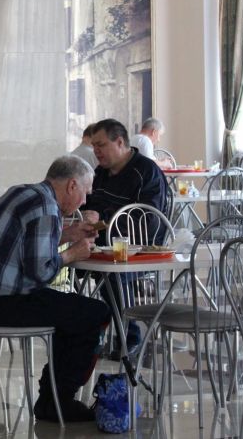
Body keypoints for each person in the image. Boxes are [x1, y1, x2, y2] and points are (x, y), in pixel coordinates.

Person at [0, 155, 110, 422]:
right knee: (95, 313)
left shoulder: (22, 192)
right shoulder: (46, 207)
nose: (84, 201)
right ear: (72, 185)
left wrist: (68, 235)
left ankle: (51, 399)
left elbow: (27, 244)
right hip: (4, 304)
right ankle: (59, 400)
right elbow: (40, 273)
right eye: (84, 193)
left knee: (72, 313)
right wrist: (72, 254)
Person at [84, 118, 168, 356]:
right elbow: (88, 203)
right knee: (68, 263)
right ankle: (88, 333)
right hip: (103, 243)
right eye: (94, 146)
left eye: (101, 145)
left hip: (141, 246)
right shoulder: (100, 173)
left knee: (112, 276)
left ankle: (129, 335)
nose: (96, 151)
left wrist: (104, 219)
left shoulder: (146, 172)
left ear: (120, 142)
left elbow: (148, 219)